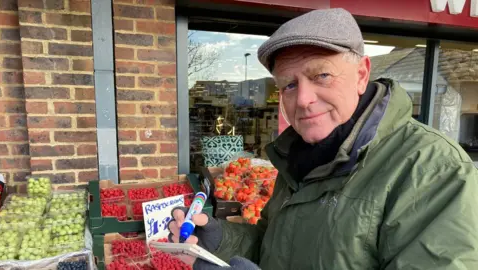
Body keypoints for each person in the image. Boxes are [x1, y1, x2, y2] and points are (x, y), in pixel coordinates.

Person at [168, 8, 478, 270]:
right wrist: (222, 241)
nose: (303, 99)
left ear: (361, 75)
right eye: (289, 85)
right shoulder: (297, 159)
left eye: (321, 75)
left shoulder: (436, 171)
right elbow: (275, 246)